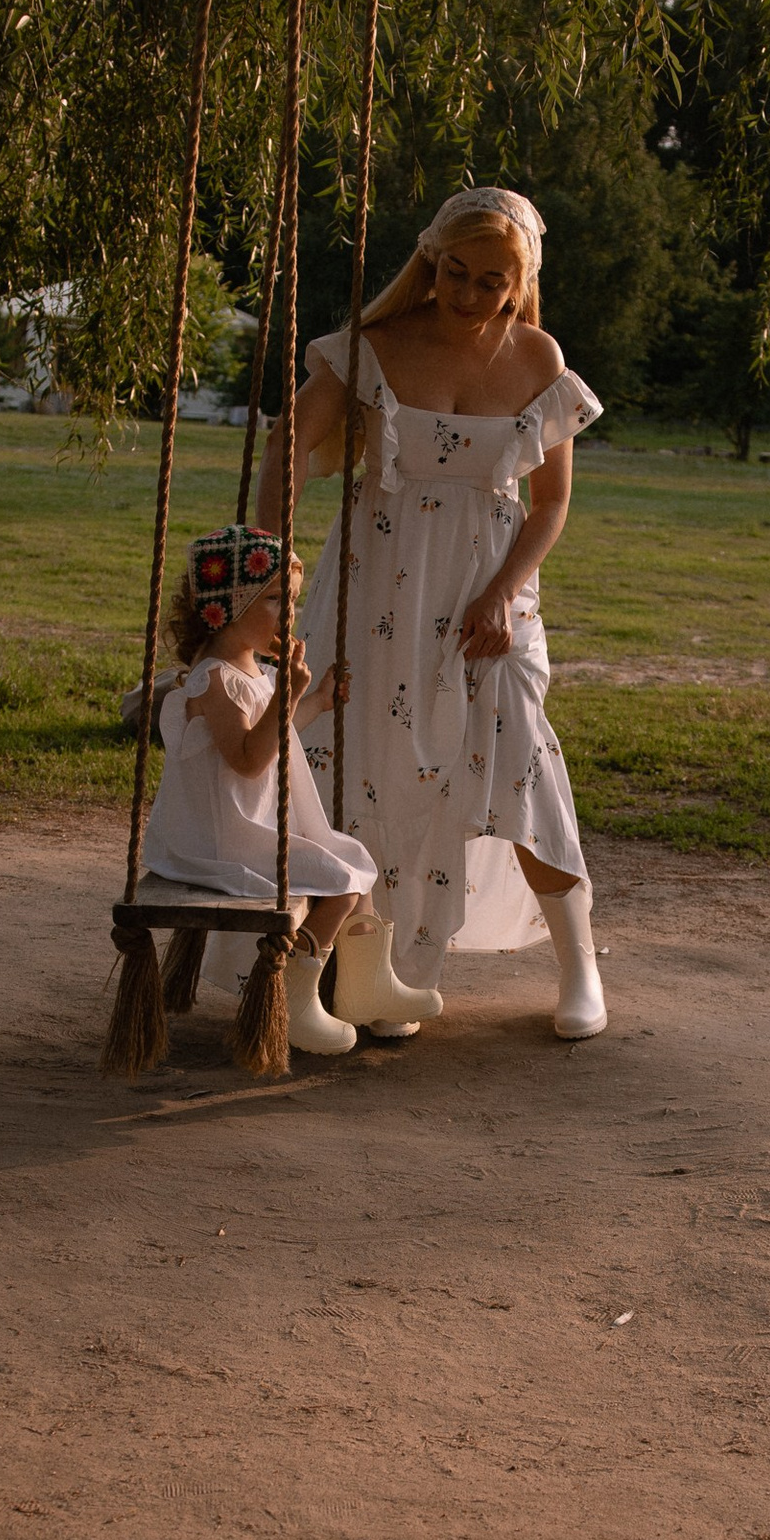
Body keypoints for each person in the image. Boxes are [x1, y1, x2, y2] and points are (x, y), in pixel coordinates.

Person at [258, 184, 609, 1042]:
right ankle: (380, 973)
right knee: (370, 767)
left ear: (520, 283)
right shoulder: (374, 348)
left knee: (519, 760)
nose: (469, 294)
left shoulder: (537, 357)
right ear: (431, 260)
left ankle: (579, 967)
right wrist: (270, 559)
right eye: (456, 272)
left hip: (491, 597)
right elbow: (287, 443)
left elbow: (552, 503)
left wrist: (502, 593)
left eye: (492, 281)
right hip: (379, 587)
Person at [141, 522, 378, 1054]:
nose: (289, 612)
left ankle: (367, 987)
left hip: (247, 828)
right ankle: (293, 998)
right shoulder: (213, 679)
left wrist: (313, 702)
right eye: (275, 600)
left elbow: (279, 732)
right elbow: (249, 759)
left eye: (291, 599)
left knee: (354, 858)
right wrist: (288, 694)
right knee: (341, 883)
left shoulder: (252, 669)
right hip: (221, 840)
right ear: (227, 606)